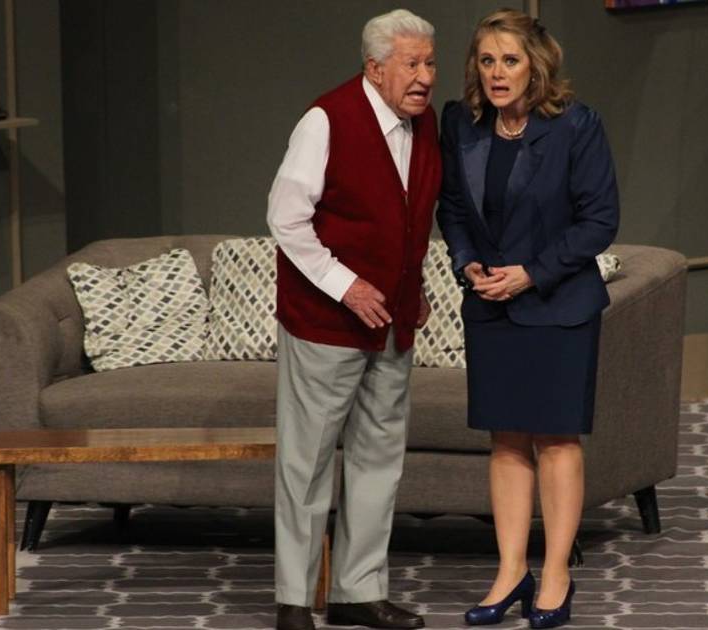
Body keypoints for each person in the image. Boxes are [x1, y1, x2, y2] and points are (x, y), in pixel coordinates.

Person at [435, 9, 620, 630]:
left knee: (556, 439)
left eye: (509, 60)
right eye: (486, 60)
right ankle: (511, 571)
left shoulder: (576, 126)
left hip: (559, 305)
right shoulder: (461, 123)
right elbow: (452, 206)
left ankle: (557, 574)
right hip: (491, 304)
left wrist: (532, 273)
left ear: (535, 67)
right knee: (506, 440)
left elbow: (599, 221)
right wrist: (466, 261)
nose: (496, 73)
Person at [266, 9, 441, 630]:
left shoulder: (425, 124)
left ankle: (357, 591)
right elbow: (285, 217)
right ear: (375, 67)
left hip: (392, 323)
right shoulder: (327, 120)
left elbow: (409, 216)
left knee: (377, 458)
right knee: (307, 461)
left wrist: (413, 285)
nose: (425, 77)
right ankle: (294, 600)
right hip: (327, 325)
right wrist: (348, 286)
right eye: (412, 64)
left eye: (430, 63)